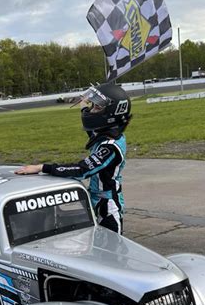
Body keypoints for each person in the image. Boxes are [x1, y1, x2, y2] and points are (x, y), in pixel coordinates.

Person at [15, 82, 131, 235]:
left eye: (96, 107)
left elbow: (82, 170)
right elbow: (92, 131)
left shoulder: (111, 148)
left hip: (108, 206)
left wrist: (42, 167)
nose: (91, 110)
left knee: (112, 247)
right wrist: (84, 106)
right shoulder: (106, 135)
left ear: (111, 114)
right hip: (96, 199)